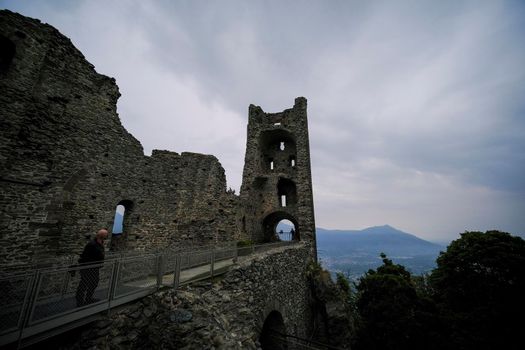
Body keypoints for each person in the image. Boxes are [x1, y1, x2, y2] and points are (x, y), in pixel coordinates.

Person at [75, 228, 108, 306]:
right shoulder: (92, 244)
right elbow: (85, 256)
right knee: (84, 284)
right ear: (101, 235)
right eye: (105, 234)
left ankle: (88, 298)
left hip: (95, 267)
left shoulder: (101, 242)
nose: (107, 235)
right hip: (87, 267)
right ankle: (79, 301)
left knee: (94, 283)